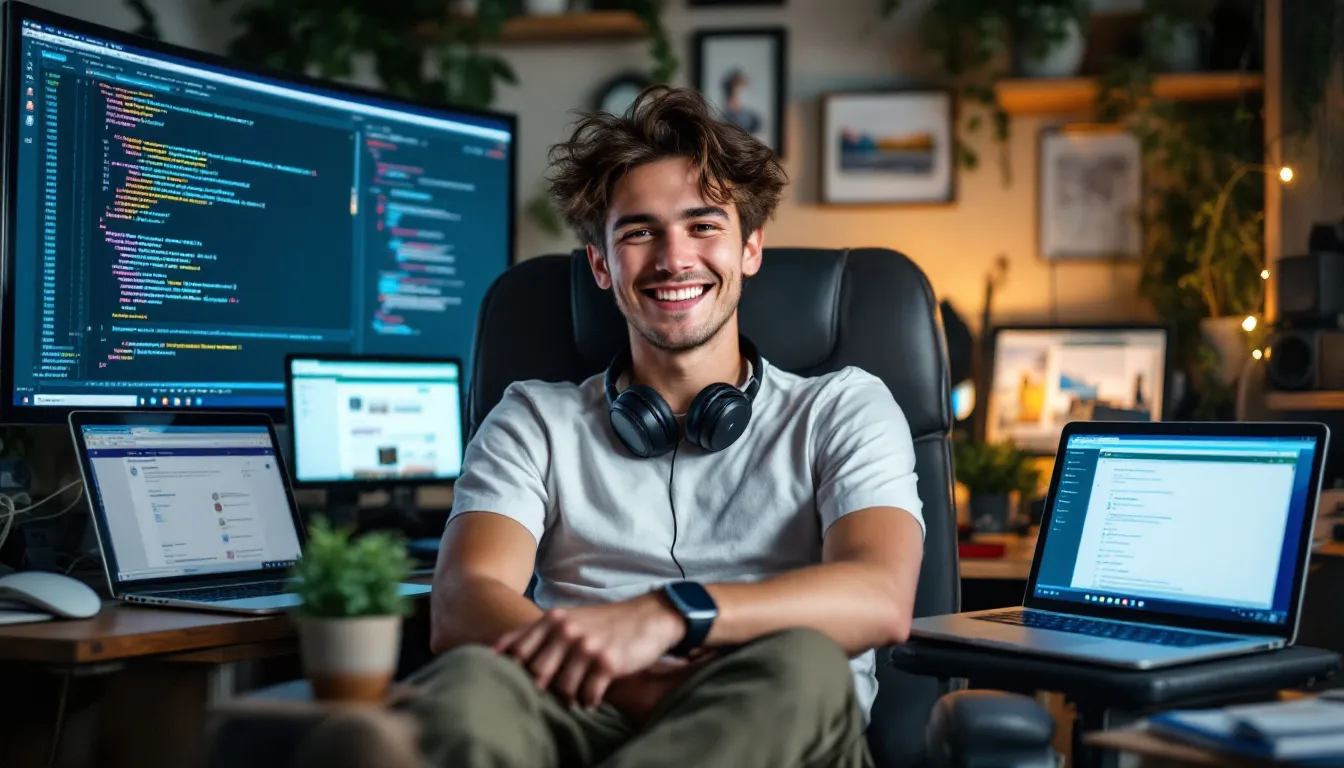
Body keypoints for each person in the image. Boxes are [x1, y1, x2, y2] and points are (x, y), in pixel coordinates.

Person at [409, 84, 926, 768]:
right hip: (589, 699)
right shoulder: (534, 417)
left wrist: (671, 613)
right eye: (639, 231)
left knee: (806, 662)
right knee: (469, 683)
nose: (673, 258)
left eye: (703, 225)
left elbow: (880, 597)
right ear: (602, 264)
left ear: (750, 248)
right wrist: (626, 681)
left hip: (776, 717)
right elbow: (462, 601)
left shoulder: (844, 407)